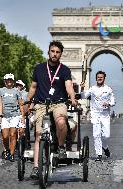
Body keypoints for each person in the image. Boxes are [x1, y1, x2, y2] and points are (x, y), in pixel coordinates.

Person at [27, 41, 77, 179]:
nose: (54, 54)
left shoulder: (65, 70)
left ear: (61, 54)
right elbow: (33, 87)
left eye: (57, 52)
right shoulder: (39, 68)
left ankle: (61, 147)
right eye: (52, 51)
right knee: (38, 134)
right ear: (48, 52)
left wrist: (72, 98)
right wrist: (27, 101)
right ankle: (36, 167)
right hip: (41, 104)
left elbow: (69, 86)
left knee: (61, 121)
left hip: (59, 103)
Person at [80, 71, 115, 161]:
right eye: (98, 77)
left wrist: (108, 103)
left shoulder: (109, 89)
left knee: (106, 135)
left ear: (104, 78)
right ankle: (98, 154)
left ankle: (105, 147)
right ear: (96, 78)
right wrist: (82, 88)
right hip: (95, 114)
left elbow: (113, 101)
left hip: (105, 115)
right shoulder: (92, 89)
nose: (99, 78)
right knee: (96, 134)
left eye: (101, 77)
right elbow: (83, 96)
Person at [0, 73, 25, 162]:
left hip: (15, 115)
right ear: (5, 81)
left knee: (13, 134)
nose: (9, 81)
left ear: (13, 81)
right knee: (5, 136)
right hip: (5, 116)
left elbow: (21, 104)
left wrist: (22, 116)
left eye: (10, 80)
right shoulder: (1, 90)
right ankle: (6, 149)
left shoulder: (16, 91)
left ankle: (12, 153)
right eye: (7, 80)